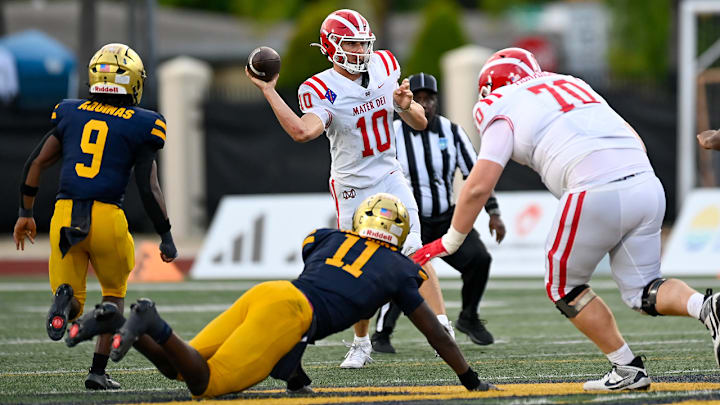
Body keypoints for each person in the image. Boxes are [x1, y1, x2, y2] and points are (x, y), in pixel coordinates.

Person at [413, 47, 720, 391]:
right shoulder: (574, 85)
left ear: (490, 87)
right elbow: (636, 140)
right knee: (644, 291)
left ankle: (627, 368)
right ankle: (707, 306)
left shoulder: (499, 102)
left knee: (564, 287)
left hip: (593, 190)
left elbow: (477, 186)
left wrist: (450, 240)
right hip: (646, 183)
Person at [65, 194, 496, 398]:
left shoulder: (327, 238)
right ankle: (150, 320)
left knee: (181, 365)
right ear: (399, 234)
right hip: (292, 311)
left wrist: (295, 378)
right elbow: (437, 337)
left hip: (273, 293)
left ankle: (120, 324)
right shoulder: (404, 270)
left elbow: (312, 305)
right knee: (206, 386)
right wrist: (469, 379)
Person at [245, 8, 453, 369]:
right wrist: (269, 91)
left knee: (416, 250)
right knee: (361, 262)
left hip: (390, 174)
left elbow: (419, 122)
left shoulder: (386, 65)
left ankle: (442, 328)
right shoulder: (320, 87)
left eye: (362, 42)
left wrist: (405, 106)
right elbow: (302, 131)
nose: (360, 50)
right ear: (331, 47)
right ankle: (361, 343)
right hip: (352, 186)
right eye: (351, 43)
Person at [12, 43, 178, 390]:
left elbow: (36, 163)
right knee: (113, 297)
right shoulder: (144, 122)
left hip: (65, 213)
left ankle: (63, 305)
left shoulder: (70, 112)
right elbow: (149, 188)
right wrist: (165, 234)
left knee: (73, 296)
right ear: (132, 82)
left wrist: (25, 212)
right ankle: (97, 373)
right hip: (106, 217)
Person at [372, 73, 506, 353]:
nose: (424, 104)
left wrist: (493, 212)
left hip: (446, 218)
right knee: (405, 273)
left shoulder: (452, 132)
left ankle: (468, 317)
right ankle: (382, 333)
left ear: (436, 100)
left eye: (429, 99)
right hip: (408, 221)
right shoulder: (392, 133)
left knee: (479, 260)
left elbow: (475, 176)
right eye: (418, 99)